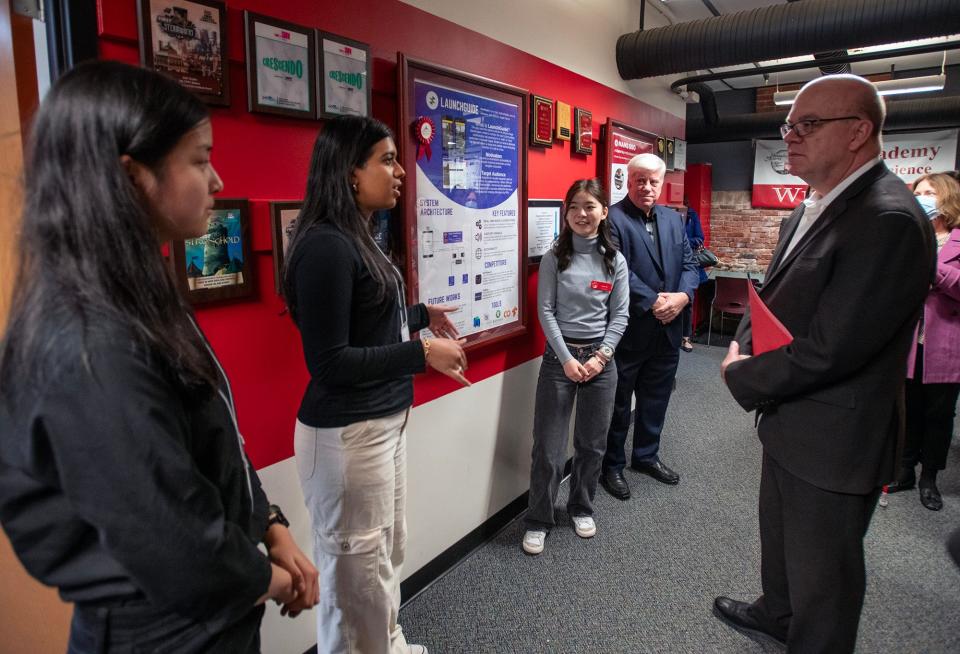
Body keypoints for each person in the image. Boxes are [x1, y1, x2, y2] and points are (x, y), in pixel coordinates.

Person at [0, 61, 318, 653]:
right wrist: (275, 580)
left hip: (210, 616)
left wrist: (269, 525)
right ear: (131, 178)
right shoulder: (91, 344)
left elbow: (211, 441)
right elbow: (172, 538)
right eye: (198, 160)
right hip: (162, 632)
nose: (217, 179)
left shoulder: (138, 297)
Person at [715, 74, 935, 653]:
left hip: (835, 435)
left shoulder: (888, 218)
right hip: (789, 419)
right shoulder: (812, 207)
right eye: (789, 125)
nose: (791, 136)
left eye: (808, 125)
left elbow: (833, 348)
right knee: (781, 539)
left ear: (859, 132)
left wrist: (743, 375)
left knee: (825, 579)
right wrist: (743, 340)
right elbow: (772, 293)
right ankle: (776, 615)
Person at [283, 115, 469, 654]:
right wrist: (421, 352)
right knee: (355, 581)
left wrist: (417, 315)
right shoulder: (324, 245)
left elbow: (364, 317)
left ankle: (390, 645)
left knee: (385, 554)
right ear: (348, 172)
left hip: (380, 426)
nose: (401, 171)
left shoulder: (356, 235)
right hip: (346, 437)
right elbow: (330, 363)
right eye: (387, 160)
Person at [522, 179, 629, 555]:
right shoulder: (555, 256)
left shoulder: (614, 260)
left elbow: (621, 316)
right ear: (565, 214)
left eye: (589, 207)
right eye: (574, 208)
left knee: (592, 445)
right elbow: (545, 311)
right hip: (559, 361)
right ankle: (539, 518)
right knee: (548, 448)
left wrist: (600, 357)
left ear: (603, 211)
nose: (582, 215)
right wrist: (568, 359)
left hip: (602, 362)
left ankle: (581, 506)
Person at [600, 153, 699, 499]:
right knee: (619, 402)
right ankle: (611, 465)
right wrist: (657, 301)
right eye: (639, 180)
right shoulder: (611, 219)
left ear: (662, 183)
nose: (646, 187)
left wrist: (683, 298)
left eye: (653, 181)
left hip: (669, 329)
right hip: (631, 329)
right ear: (628, 181)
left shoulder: (673, 219)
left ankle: (645, 456)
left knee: (656, 399)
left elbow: (689, 263)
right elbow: (613, 267)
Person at [885, 172, 960, 511]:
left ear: (946, 198)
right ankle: (905, 470)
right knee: (907, 408)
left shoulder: (956, 240)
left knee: (939, 413)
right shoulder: (908, 236)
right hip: (907, 339)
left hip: (945, 341)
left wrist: (931, 264)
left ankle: (929, 477)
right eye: (918, 193)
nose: (922, 198)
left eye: (930, 192)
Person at [680, 205, 709, 352]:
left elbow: (699, 239)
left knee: (687, 302)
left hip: (688, 263)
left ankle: (685, 338)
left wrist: (681, 241)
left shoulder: (691, 216)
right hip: (670, 263)